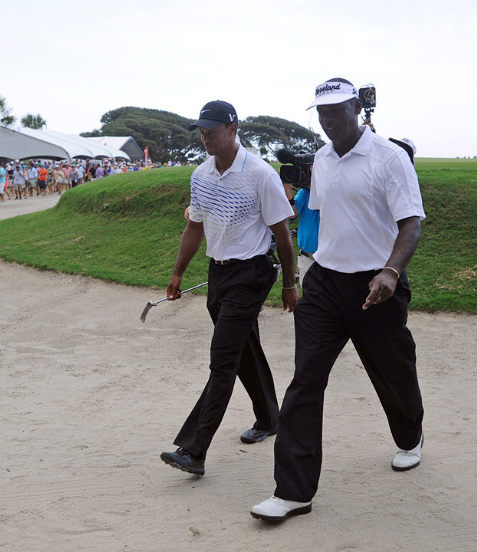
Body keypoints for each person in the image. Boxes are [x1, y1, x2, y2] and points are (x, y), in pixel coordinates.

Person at [250, 78, 426, 522]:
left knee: (393, 370)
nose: (327, 121)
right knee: (305, 380)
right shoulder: (323, 160)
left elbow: (410, 224)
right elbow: (326, 215)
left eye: (334, 112)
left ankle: (410, 436)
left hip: (377, 286)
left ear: (354, 109)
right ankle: (293, 491)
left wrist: (391, 270)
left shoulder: (389, 157)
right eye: (321, 113)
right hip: (325, 283)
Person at [159, 100, 297, 477]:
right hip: (218, 273)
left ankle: (194, 449)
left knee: (222, 360)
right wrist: (178, 273)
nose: (205, 137)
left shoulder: (260, 175)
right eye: (202, 131)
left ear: (233, 130)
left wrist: (289, 283)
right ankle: (270, 418)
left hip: (251, 274)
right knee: (243, 349)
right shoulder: (201, 175)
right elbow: (195, 227)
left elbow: (282, 236)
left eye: (213, 130)